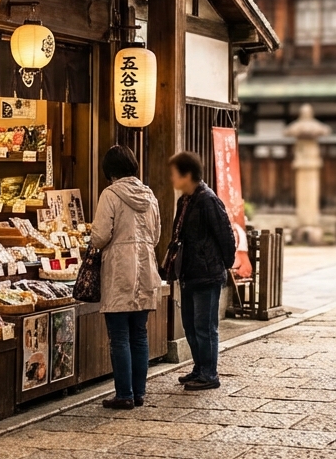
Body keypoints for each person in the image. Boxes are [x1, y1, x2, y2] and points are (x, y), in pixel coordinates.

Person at [88, 145, 161, 410]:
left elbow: (99, 236)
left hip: (120, 270)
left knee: (119, 336)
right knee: (139, 334)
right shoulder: (149, 194)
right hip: (146, 268)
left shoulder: (110, 194)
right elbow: (156, 235)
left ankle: (124, 394)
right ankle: (139, 393)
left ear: (110, 171)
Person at [167, 151, 235, 391]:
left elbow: (225, 234)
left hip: (207, 273)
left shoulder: (207, 199)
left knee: (205, 326)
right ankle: (199, 367)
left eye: (175, 174)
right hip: (189, 272)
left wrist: (223, 265)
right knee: (190, 324)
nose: (172, 179)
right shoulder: (185, 200)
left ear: (187, 175)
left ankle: (209, 373)